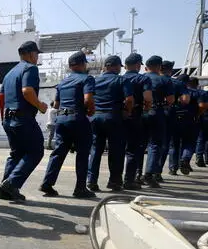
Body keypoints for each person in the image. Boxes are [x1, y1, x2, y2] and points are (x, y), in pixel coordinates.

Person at [39, 51, 96, 198]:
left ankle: (47, 183)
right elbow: (88, 99)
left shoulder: (62, 83)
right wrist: (90, 110)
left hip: (62, 119)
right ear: (83, 64)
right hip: (78, 118)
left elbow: (56, 105)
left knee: (58, 152)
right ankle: (80, 188)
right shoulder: (87, 79)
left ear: (70, 66)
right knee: (83, 153)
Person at [0, 41, 47, 202]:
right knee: (36, 151)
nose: (37, 57)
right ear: (31, 54)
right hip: (23, 118)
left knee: (16, 154)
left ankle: (4, 189)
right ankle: (11, 184)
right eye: (36, 54)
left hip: (9, 118)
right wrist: (40, 106)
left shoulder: (10, 73)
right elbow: (27, 91)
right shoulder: (30, 68)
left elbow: (1, 96)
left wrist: (4, 118)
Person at [87, 55, 134, 192]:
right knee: (116, 151)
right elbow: (129, 99)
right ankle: (114, 181)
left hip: (96, 117)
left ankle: (91, 181)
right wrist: (127, 111)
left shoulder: (95, 81)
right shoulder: (121, 80)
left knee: (95, 150)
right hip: (113, 117)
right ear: (116, 66)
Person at [142, 55, 174, 187]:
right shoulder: (164, 80)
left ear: (146, 67)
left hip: (141, 113)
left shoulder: (140, 78)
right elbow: (171, 100)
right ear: (159, 67)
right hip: (156, 112)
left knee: (138, 144)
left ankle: (135, 174)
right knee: (155, 144)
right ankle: (149, 174)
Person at [122, 53, 152, 190]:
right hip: (135, 115)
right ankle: (129, 180)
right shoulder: (143, 79)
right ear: (138, 65)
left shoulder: (119, 79)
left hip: (119, 116)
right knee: (133, 150)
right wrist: (146, 108)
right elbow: (148, 98)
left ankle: (115, 179)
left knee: (117, 149)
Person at [170, 75, 206, 175]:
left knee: (174, 145)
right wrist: (197, 115)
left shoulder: (176, 90)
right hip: (191, 120)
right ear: (197, 84)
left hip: (176, 119)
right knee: (189, 143)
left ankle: (173, 168)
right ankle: (185, 159)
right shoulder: (200, 93)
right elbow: (202, 106)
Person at [160, 60, 190, 174]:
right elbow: (185, 100)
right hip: (171, 114)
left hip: (151, 112)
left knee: (154, 144)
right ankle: (171, 168)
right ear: (171, 70)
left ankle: (146, 172)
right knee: (172, 143)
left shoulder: (151, 79)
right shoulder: (177, 83)